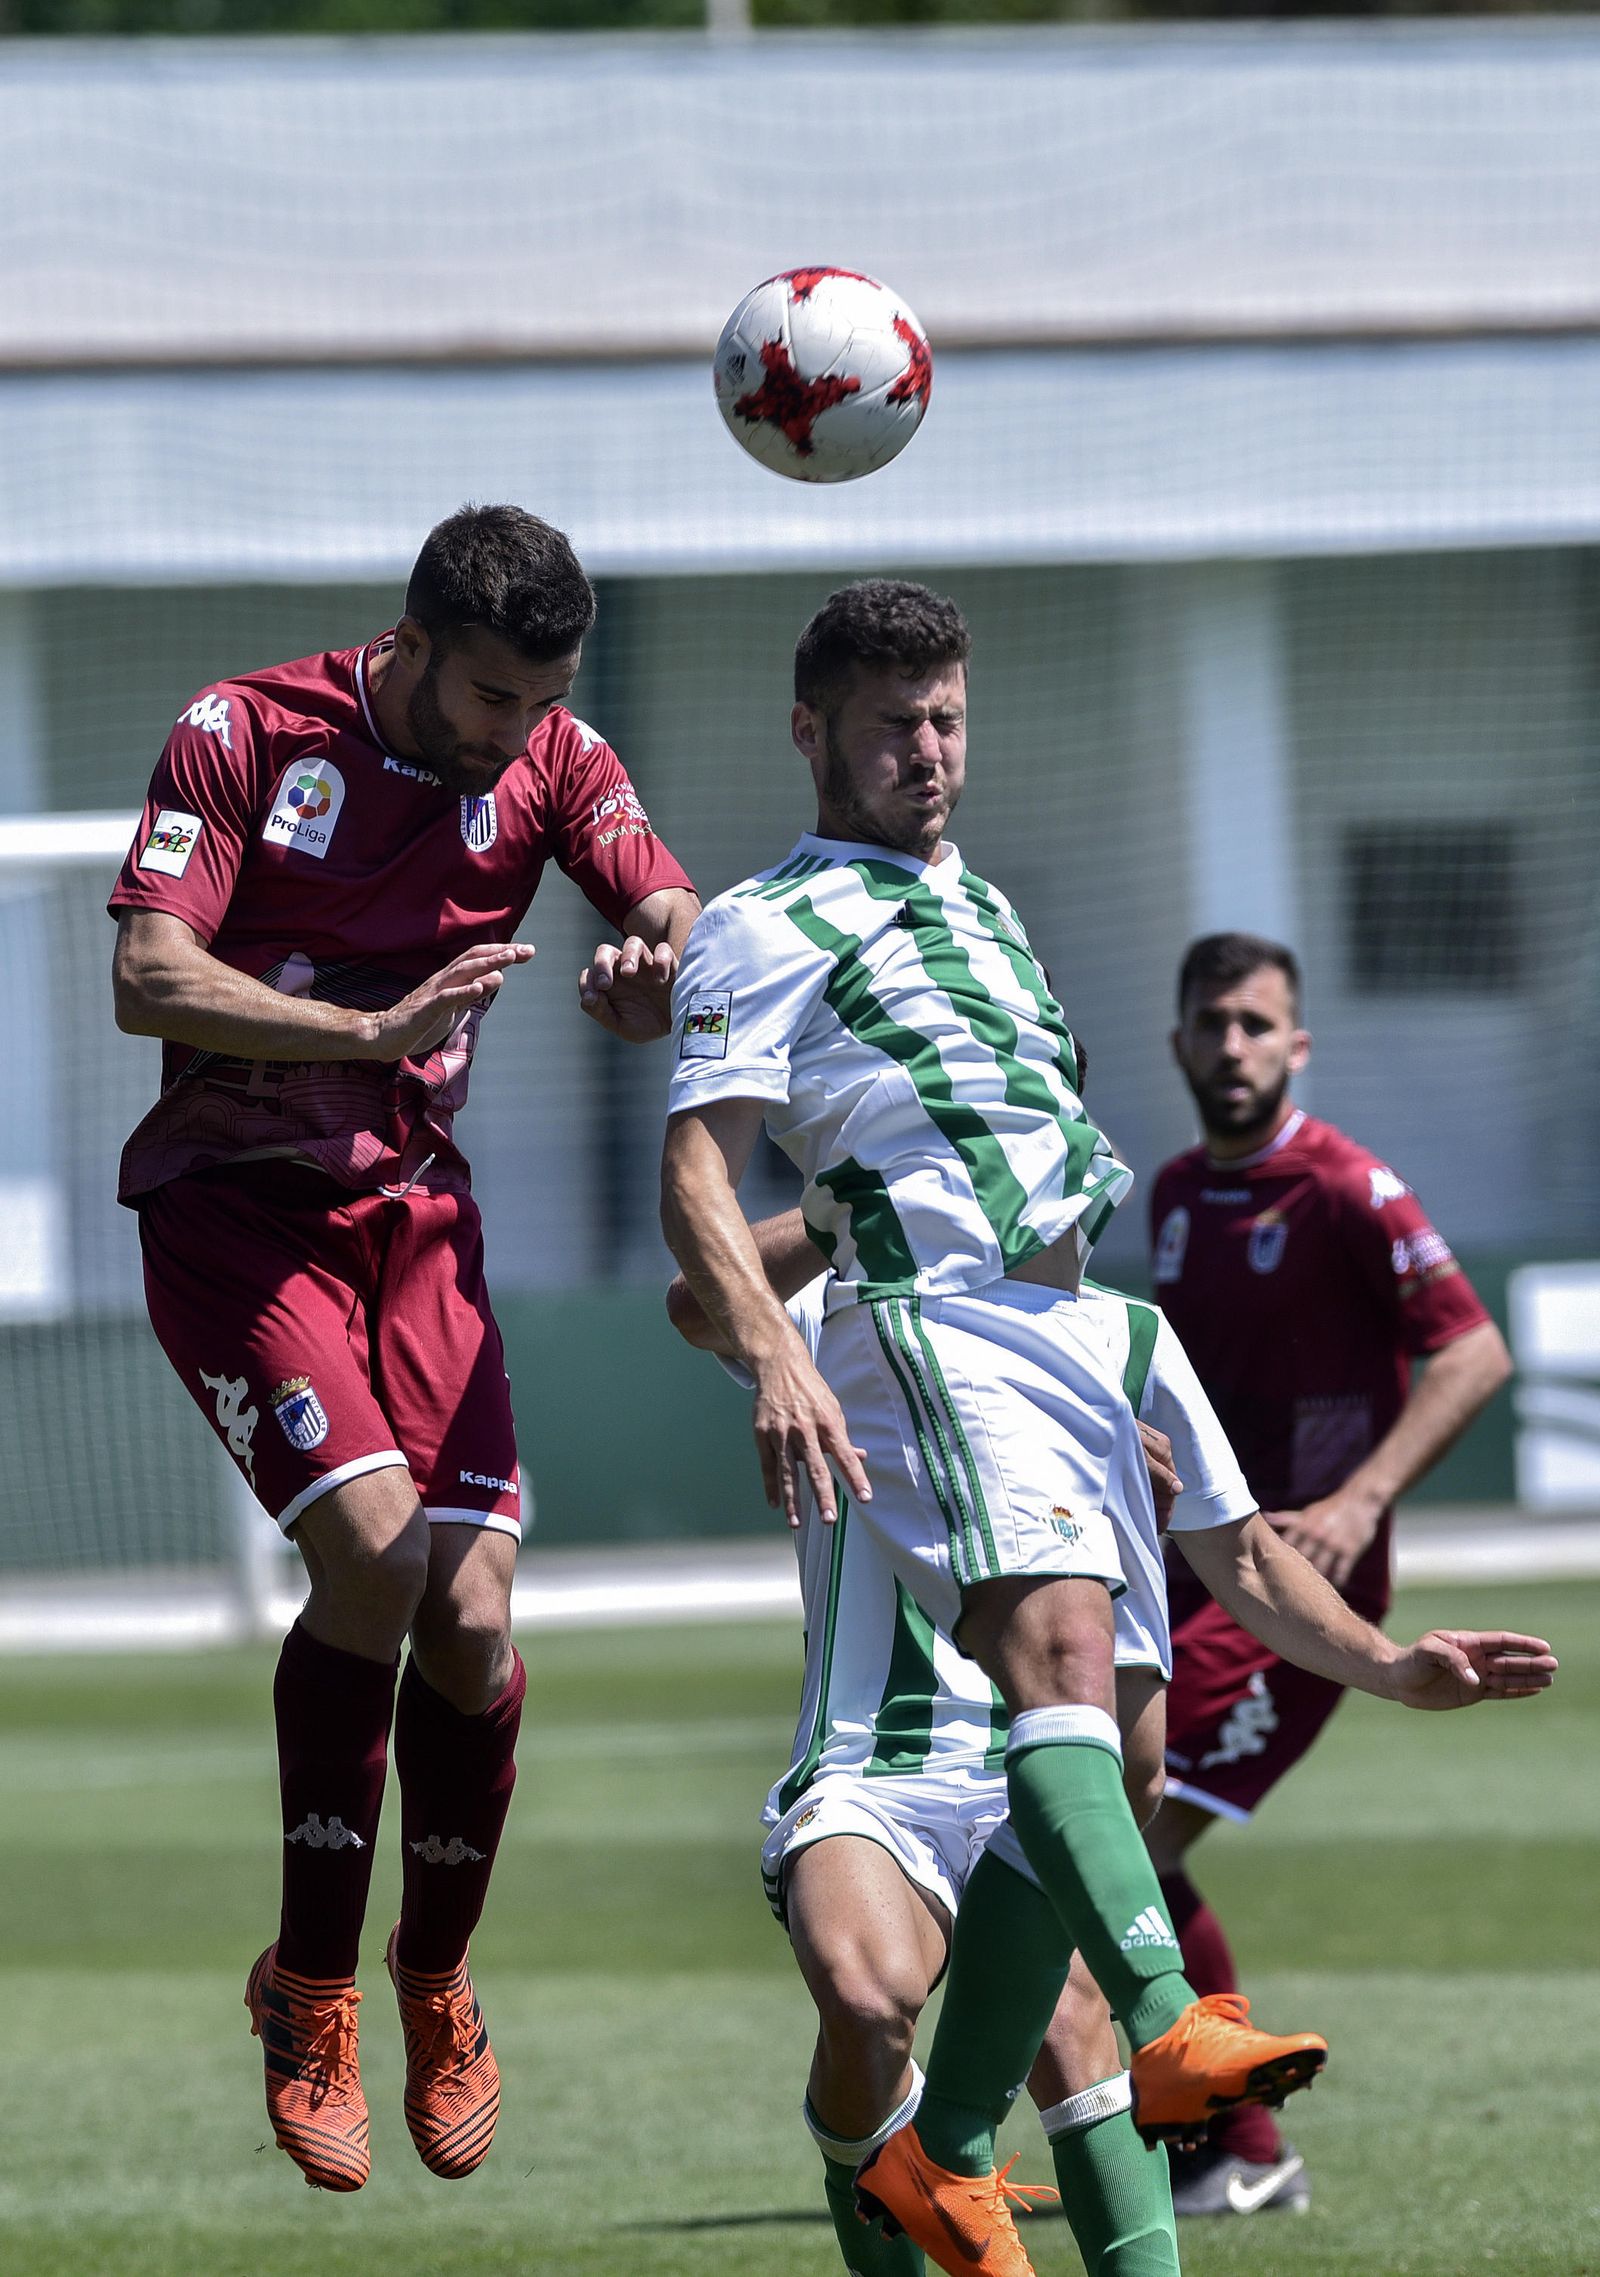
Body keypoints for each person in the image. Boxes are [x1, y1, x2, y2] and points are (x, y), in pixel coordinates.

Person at [657, 578, 1334, 2277]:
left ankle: (957, 2149)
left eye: (947, 717)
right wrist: (781, 1350)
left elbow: (959, 1166)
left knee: (1112, 1844)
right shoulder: (767, 920)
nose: (929, 752)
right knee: (889, 1992)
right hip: (955, 1390)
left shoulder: (991, 912)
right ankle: (1061, 2080)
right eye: (892, 723)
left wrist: (1083, 1386)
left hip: (1062, 1363)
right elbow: (700, 1200)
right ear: (811, 732)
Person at [108, 504, 700, 2193]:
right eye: (491, 695)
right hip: (238, 1210)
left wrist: (657, 958)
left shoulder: (555, 755)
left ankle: (433, 1973)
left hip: (415, 1225)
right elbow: (150, 973)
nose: (515, 731)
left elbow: (665, 892)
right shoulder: (244, 733)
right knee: (374, 1559)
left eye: (542, 700)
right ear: (414, 643)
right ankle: (306, 1986)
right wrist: (373, 1029)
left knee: (476, 1610)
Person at [669, 1207, 1556, 2277]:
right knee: (867, 2009)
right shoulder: (834, 1310)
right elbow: (695, 1306)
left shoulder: (1126, 1337)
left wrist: (1390, 1668)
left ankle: (1095, 2106)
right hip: (878, 1759)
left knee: (1074, 2032)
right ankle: (949, 2149)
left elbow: (1248, 1557)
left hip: (1048, 1755)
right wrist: (848, 1197)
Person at [1147, 930, 1516, 2219]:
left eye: (1258, 1025)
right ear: (1180, 1042)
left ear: (1296, 1044)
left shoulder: (1350, 1186)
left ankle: (1238, 2149)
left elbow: (1472, 1353)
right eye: (1215, 1024)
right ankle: (1209, 2140)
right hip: (1186, 1571)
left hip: (1296, 1599)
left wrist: (1361, 1501)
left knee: (1123, 1839)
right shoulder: (1177, 1194)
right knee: (1101, 1838)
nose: (1235, 1045)